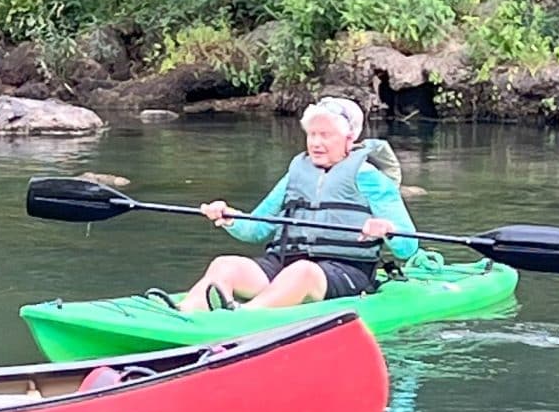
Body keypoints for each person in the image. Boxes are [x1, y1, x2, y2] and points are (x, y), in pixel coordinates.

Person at [178, 97, 418, 312]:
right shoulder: (297, 172)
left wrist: (387, 229)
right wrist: (230, 217)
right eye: (312, 134)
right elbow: (256, 229)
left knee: (302, 272)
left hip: (345, 272)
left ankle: (243, 317)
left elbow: (408, 247)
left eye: (325, 135)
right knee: (225, 265)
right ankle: (186, 315)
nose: (316, 143)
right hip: (283, 264)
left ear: (349, 138)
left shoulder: (370, 178)